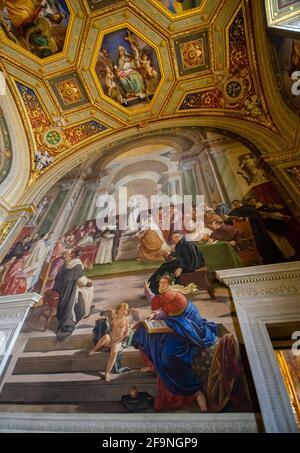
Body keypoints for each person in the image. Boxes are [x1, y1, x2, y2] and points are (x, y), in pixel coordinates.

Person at [132, 276, 217, 411]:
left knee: (169, 357)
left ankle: (195, 392)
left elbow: (166, 310)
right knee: (141, 332)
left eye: (164, 282)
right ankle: (153, 364)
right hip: (172, 325)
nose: (161, 284)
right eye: (160, 282)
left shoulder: (175, 295)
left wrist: (155, 314)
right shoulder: (163, 296)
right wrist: (147, 291)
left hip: (186, 328)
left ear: (170, 284)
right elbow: (156, 301)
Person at [89, 302, 130, 383]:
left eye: (126, 310)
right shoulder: (115, 317)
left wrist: (127, 333)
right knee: (105, 337)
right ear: (118, 310)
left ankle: (107, 373)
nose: (124, 312)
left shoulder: (126, 319)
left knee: (114, 352)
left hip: (118, 340)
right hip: (111, 338)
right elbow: (109, 324)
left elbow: (127, 329)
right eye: (123, 310)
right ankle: (94, 349)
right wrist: (102, 321)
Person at [53, 250, 86, 340]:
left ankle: (68, 320)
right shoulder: (77, 265)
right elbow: (81, 280)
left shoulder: (67, 264)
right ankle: (68, 324)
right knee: (78, 309)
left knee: (78, 306)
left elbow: (59, 278)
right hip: (70, 291)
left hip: (64, 290)